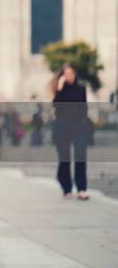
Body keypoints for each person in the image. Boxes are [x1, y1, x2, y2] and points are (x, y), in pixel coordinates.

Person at [51, 64, 90, 200]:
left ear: (75, 74)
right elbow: (56, 106)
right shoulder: (60, 91)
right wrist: (60, 89)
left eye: (71, 73)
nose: (69, 76)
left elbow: (84, 108)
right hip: (62, 127)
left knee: (80, 157)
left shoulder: (81, 89)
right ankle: (66, 188)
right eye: (66, 74)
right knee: (64, 159)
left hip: (78, 127)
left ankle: (82, 189)